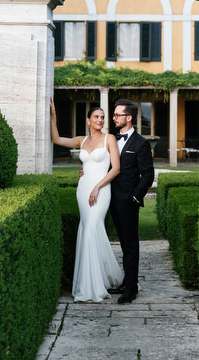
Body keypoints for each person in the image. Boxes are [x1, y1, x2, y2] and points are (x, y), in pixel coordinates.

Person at [50, 98, 123, 302]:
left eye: (102, 117)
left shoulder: (110, 139)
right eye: (96, 117)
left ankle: (94, 286)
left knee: (92, 228)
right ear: (88, 120)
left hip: (101, 190)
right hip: (83, 190)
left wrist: (98, 186)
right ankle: (90, 281)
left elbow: (116, 168)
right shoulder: (81, 140)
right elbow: (55, 139)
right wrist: (53, 115)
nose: (100, 120)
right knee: (88, 230)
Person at [109, 99, 155, 304]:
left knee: (130, 245)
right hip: (111, 200)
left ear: (128, 117)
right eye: (114, 114)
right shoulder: (112, 139)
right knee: (122, 243)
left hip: (128, 201)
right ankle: (127, 282)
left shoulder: (140, 143)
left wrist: (136, 197)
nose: (114, 118)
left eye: (117, 115)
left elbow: (148, 174)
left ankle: (131, 289)